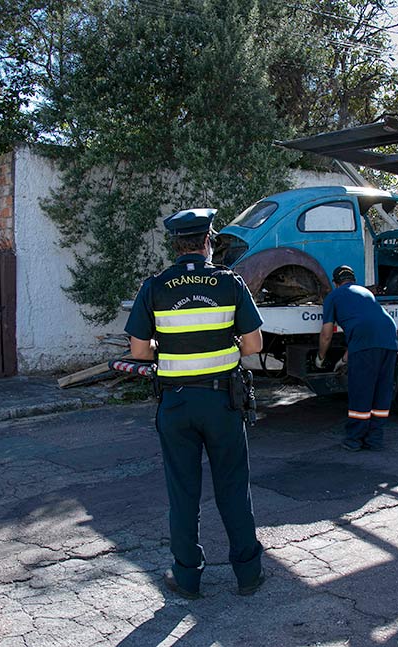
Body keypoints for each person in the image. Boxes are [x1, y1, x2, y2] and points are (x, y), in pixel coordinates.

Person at [126, 208, 265, 599]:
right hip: (222, 402)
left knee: (183, 493)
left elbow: (139, 350)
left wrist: (165, 344)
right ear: (208, 241)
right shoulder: (229, 282)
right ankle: (248, 574)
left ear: (176, 243)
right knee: (234, 488)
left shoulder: (155, 286)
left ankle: (187, 577)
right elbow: (254, 344)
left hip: (176, 405)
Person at [316, 265, 398, 451]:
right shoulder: (365, 293)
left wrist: (321, 356)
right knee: (381, 391)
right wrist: (344, 360)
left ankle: (354, 440)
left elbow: (326, 334)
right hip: (389, 338)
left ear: (335, 283)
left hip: (366, 341)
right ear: (353, 279)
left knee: (361, 391)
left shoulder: (334, 296)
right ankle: (375, 440)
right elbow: (362, 330)